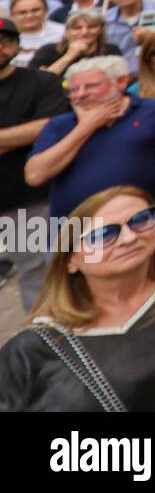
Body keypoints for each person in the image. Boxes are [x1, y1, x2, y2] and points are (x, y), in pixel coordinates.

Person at [0, 186, 155, 411]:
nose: (130, 238)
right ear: (71, 260)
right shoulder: (30, 351)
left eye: (141, 220)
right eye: (104, 234)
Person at [27, 55, 155, 219]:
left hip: (141, 220)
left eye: (91, 86)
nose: (80, 94)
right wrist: (86, 127)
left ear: (121, 82)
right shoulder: (59, 124)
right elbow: (35, 175)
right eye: (74, 89)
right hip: (76, 228)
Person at [0, 17, 70, 311]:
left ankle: (48, 342)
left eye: (5, 41)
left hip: (30, 198)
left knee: (41, 271)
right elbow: (34, 130)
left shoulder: (43, 82)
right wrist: (20, 135)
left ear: (16, 45)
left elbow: (51, 127)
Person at [28, 8, 122, 76]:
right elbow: (37, 82)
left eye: (91, 27)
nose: (84, 32)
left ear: (101, 30)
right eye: (77, 28)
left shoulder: (111, 50)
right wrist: (69, 56)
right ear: (67, 31)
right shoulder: (48, 51)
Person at [11, 0, 65, 68]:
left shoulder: (63, 32)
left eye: (35, 10)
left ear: (46, 11)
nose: (29, 15)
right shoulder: (5, 34)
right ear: (12, 15)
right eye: (22, 12)